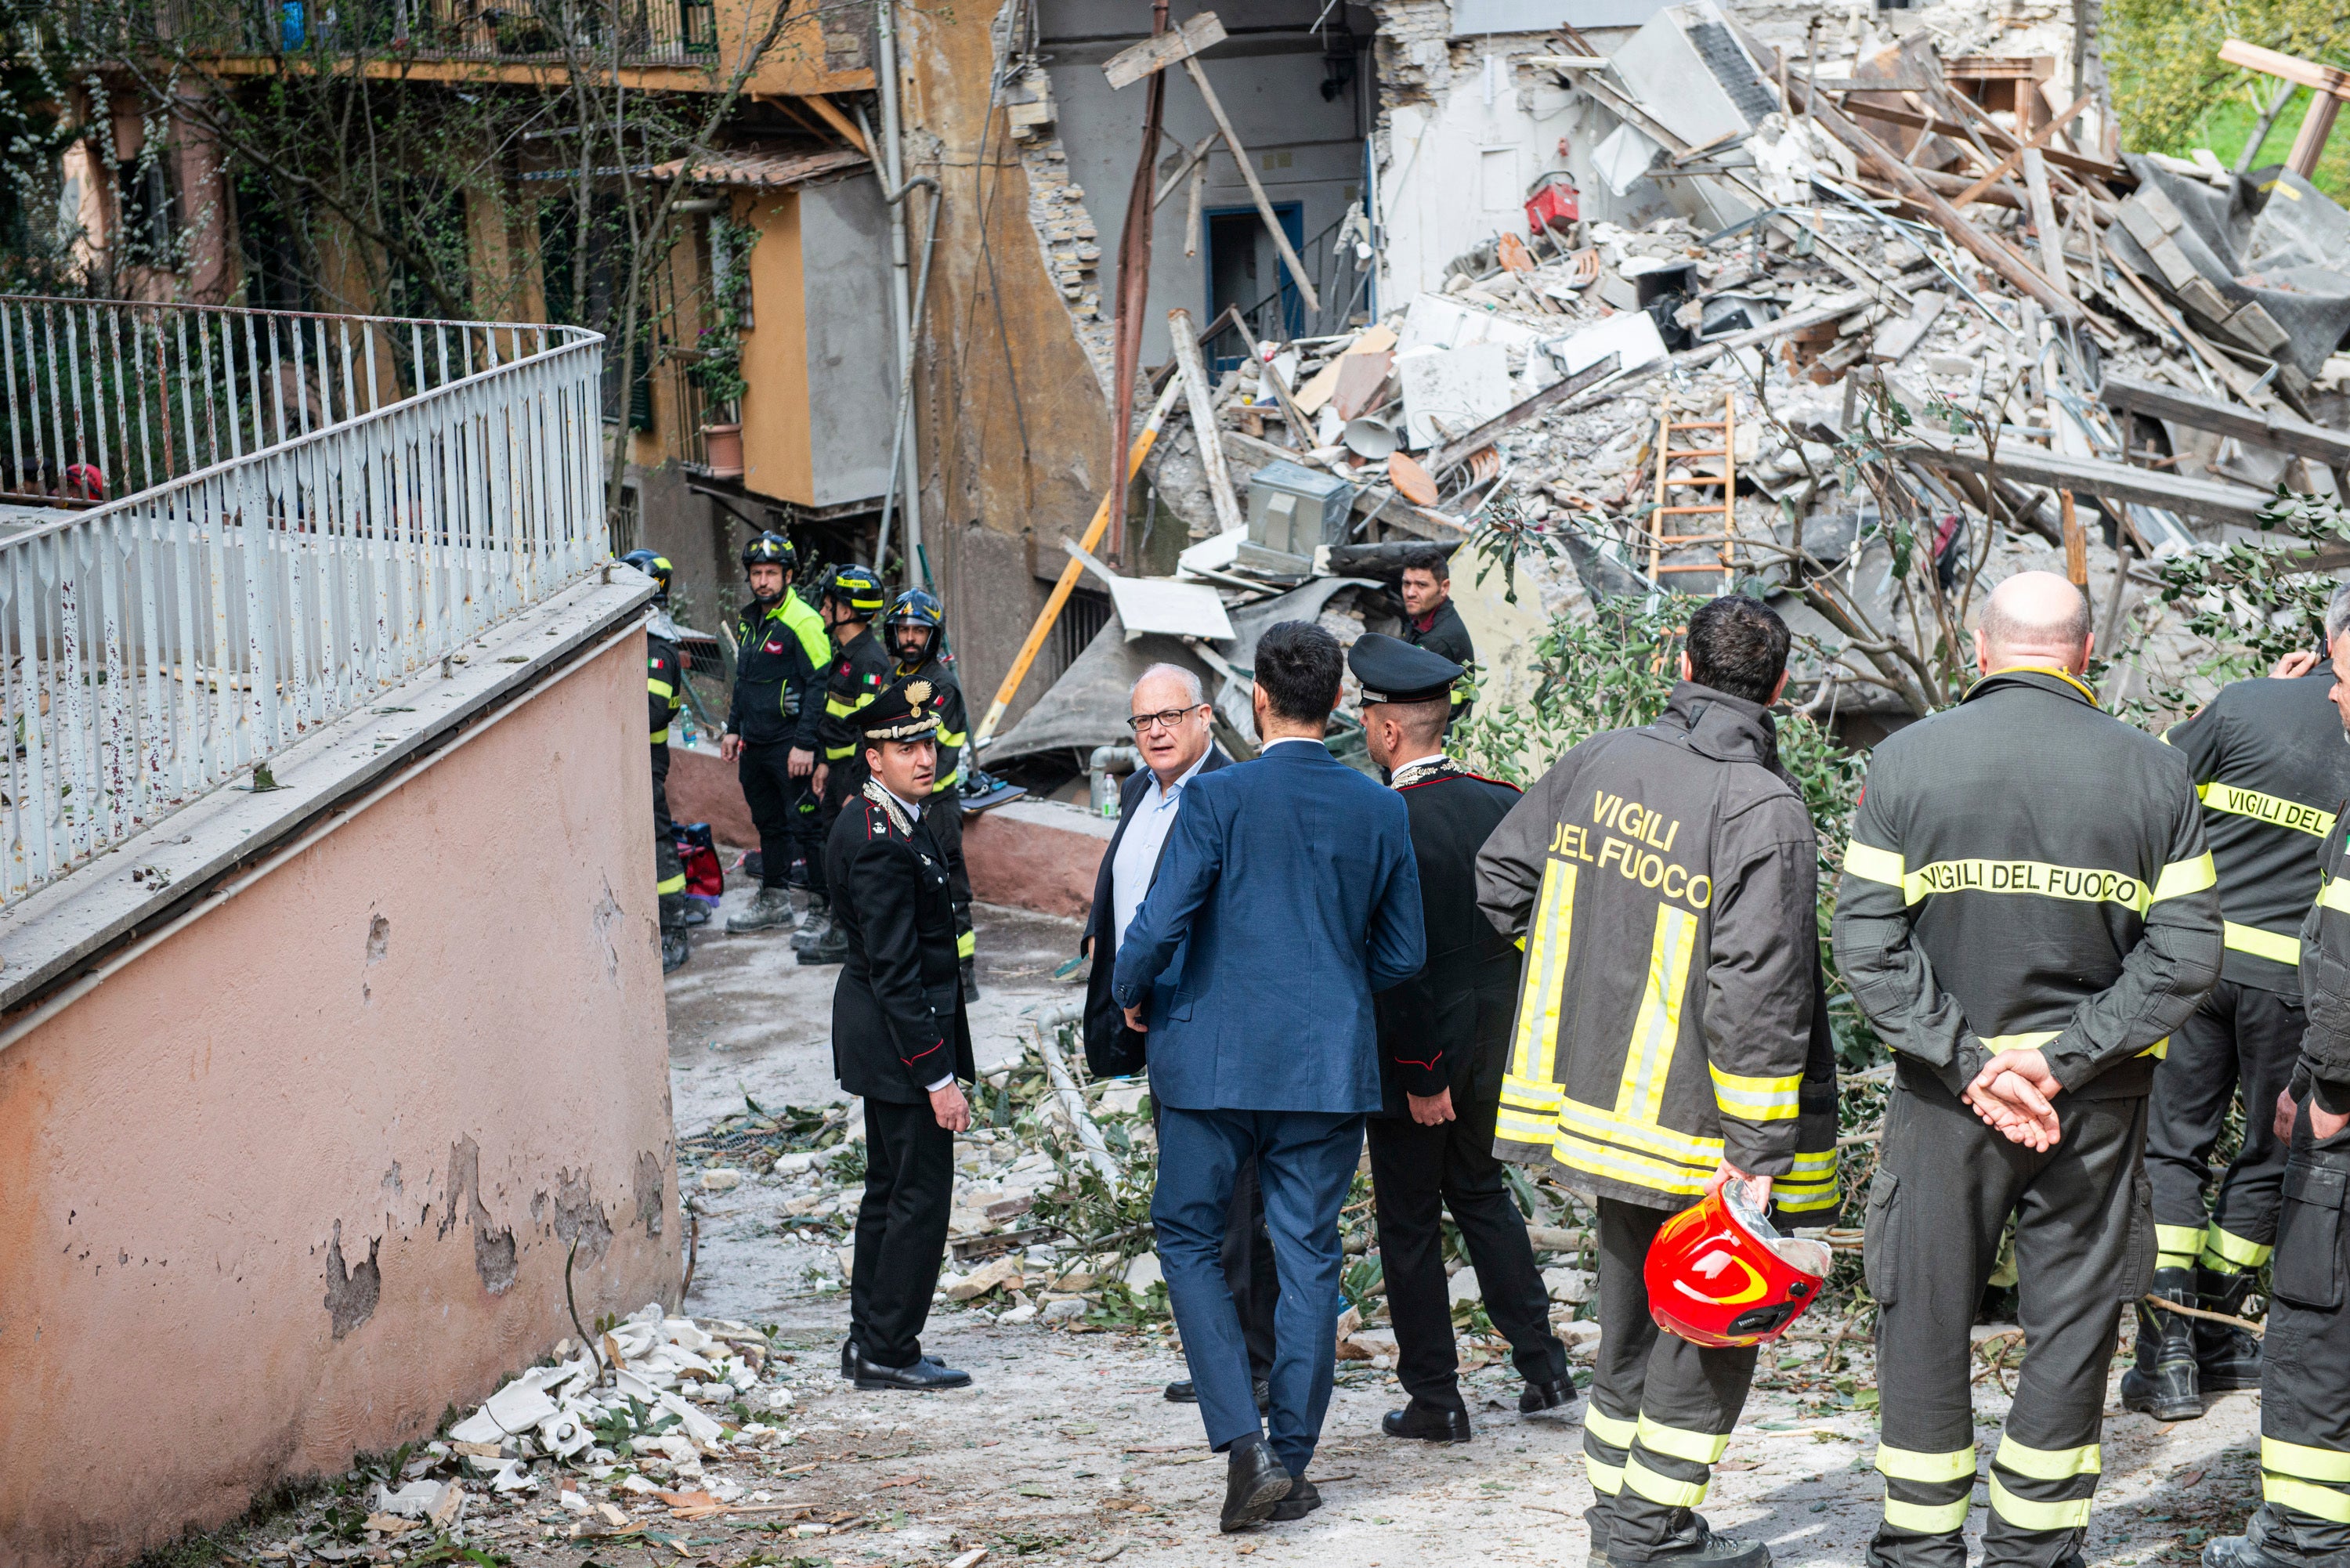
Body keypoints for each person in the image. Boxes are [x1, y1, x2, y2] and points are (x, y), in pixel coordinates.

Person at [1835, 571, 2222, 1568]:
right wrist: (2059, 1061)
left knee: (1923, 1312)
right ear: (2087, 652)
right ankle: (2034, 1550)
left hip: (1941, 1102)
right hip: (2093, 1105)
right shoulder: (2156, 772)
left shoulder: (1908, 759)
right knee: (2074, 1319)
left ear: (1980, 649)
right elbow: (2185, 954)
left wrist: (1972, 1066)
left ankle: (1919, 1548)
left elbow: (1869, 946)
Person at [1478, 594, 1841, 1568]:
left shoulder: (1599, 761)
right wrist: (1764, 1157)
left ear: (1679, 668)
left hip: (1594, 1114)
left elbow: (1500, 882)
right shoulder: (1762, 806)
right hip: (1704, 1133)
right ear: (1780, 688)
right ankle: (1650, 1538)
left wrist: (1596, 974)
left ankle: (1620, 1522)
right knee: (1711, 1331)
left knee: (1629, 1320)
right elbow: (1760, 991)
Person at [1112, 621, 1425, 1534]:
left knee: (1188, 1240)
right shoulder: (1381, 809)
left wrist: (1133, 994)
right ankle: (1287, 1454)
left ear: (1256, 697)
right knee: (1308, 1257)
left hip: (1209, 1063)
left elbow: (1162, 922)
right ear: (1338, 705)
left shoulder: (1219, 800)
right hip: (1324, 1067)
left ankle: (1243, 1446)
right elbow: (1401, 955)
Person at [2131, 587, 2350, 1419]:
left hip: (2195, 971)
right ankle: (2219, 1329)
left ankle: (2170, 1354)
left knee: (2172, 1152)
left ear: (2325, 638)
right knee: (2265, 1156)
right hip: (2293, 991)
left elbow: (2148, 783)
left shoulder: (2247, 704)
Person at [1350, 633, 1571, 1444]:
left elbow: (1398, 965)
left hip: (1421, 1060)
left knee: (1408, 1225)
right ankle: (1543, 1364)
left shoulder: (1384, 820)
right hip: (1497, 1051)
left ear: (1387, 731)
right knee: (1481, 1197)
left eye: (1368, 719)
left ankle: (1436, 1397)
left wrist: (1418, 1070)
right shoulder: (1499, 797)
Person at [1079, 663, 1278, 1414]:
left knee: (1234, 1202)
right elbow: (1124, 895)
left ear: (1204, 717)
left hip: (1216, 1022)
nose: (1156, 731)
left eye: (1170, 717)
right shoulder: (1137, 790)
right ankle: (1220, 1356)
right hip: (1153, 1019)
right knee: (1195, 1200)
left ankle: (1251, 1362)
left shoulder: (1232, 793)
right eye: (1143, 722)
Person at [2204, 609, 2350, 1568]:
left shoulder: (2243, 710)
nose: (2334, 696)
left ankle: (2302, 1538)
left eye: (2346, 677)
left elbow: (2342, 955)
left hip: (2216, 984)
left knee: (2315, 1311)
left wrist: (2326, 1084)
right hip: (2282, 1019)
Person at [829, 675, 978, 1393]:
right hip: (899, 1043)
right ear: (873, 756)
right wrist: (938, 1077)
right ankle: (891, 1347)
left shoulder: (888, 817)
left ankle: (870, 1339)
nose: (924, 756)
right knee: (917, 1195)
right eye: (906, 746)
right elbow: (896, 972)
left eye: (928, 742)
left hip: (885, 1038)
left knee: (887, 1190)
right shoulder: (881, 839)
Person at [720, 534, 831, 936]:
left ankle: (823, 906)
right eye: (756, 573)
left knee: (808, 827)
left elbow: (820, 684)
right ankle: (775, 899)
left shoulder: (803, 621)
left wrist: (805, 744)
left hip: (791, 746)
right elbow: (744, 680)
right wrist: (733, 729)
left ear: (787, 576)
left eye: (771, 573)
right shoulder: (751, 620)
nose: (763, 581)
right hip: (755, 744)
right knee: (768, 824)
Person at [885, 588, 979, 1003]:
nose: (909, 637)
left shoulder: (941, 687)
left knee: (949, 892)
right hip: (902, 805)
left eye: (917, 631)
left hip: (935, 808)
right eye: (903, 629)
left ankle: (965, 976)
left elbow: (935, 758)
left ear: (932, 636)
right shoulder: (895, 681)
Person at [800, 563, 892, 965]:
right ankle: (840, 928)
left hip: (854, 779)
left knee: (849, 857)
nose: (822, 611)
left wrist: (857, 786)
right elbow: (836, 724)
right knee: (830, 849)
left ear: (848, 610)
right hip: (836, 775)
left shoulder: (869, 663)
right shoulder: (847, 657)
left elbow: (868, 733)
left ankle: (846, 935)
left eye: (828, 604)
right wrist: (822, 764)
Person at [625, 550, 694, 974]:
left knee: (657, 841)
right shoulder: (638, 639)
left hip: (647, 760)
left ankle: (674, 931)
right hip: (631, 759)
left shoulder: (658, 648)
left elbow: (650, 711)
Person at [1399, 547, 1476, 727]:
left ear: (1444, 587)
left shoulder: (1438, 640)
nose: (1410, 592)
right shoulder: (1422, 621)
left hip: (1438, 742)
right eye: (1406, 583)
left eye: (1421, 585)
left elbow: (1405, 699)